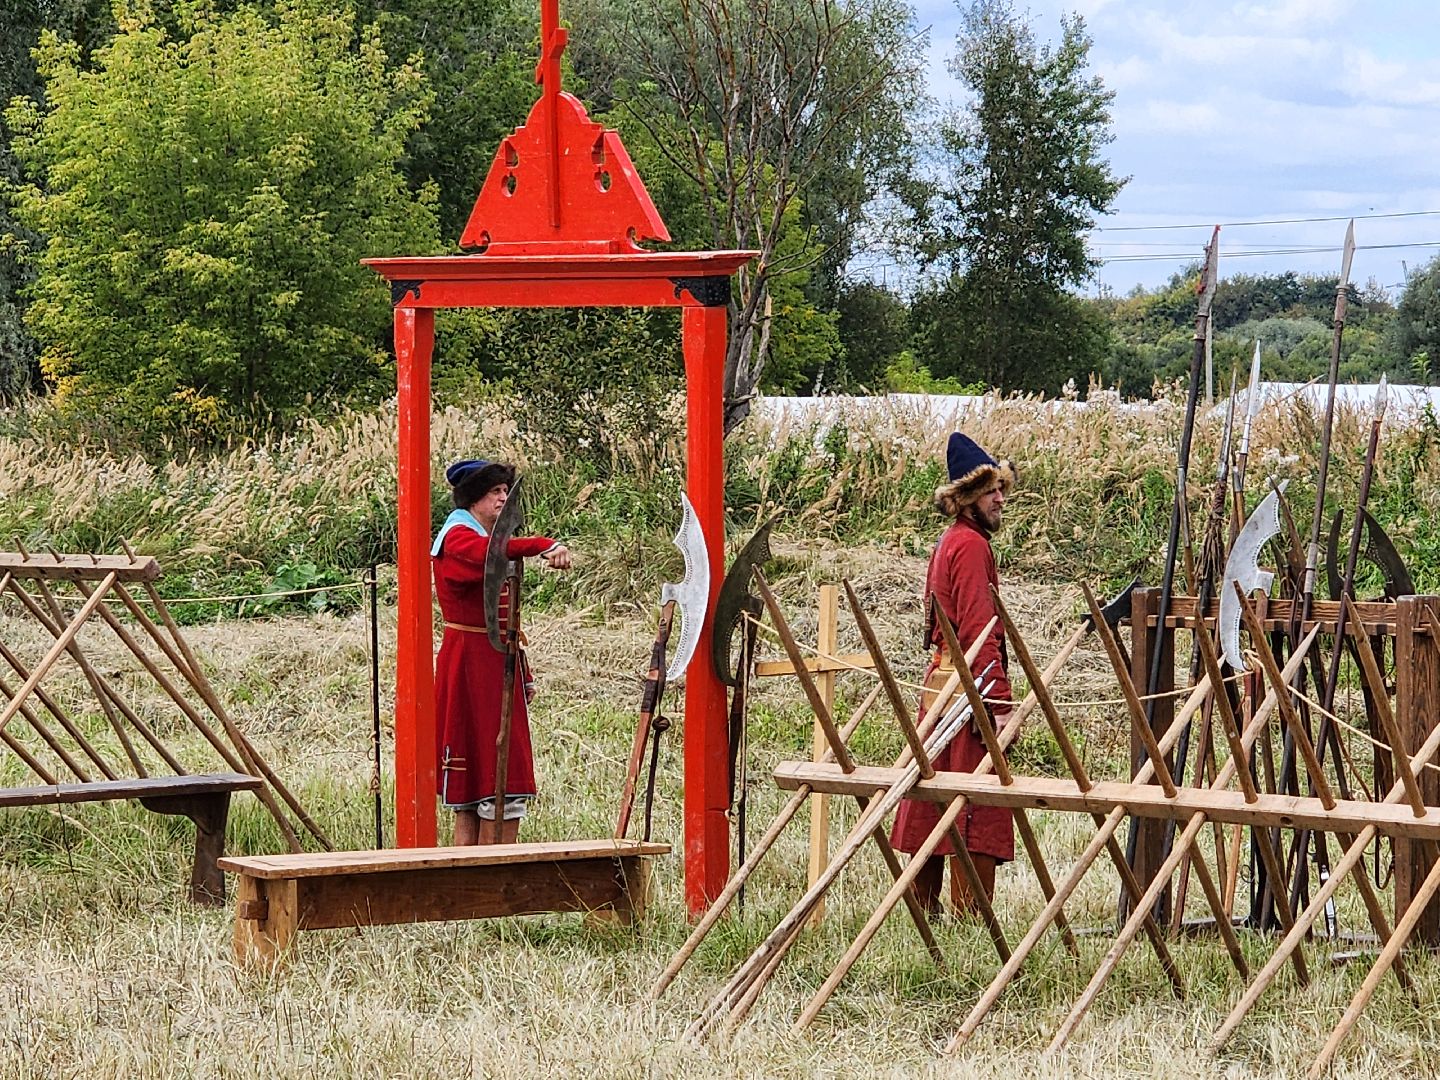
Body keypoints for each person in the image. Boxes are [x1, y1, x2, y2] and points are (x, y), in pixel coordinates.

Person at [891, 431, 1016, 915]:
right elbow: (979, 633)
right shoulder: (967, 546)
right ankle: (965, 920)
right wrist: (999, 708)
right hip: (965, 698)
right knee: (967, 810)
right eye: (991, 491)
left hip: (943, 691)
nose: (1000, 499)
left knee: (937, 806)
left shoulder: (957, 541)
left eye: (1000, 489)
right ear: (967, 498)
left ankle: (936, 915)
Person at [431, 459, 571, 845]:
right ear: (475, 496)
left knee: (500, 766)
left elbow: (503, 613)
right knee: (481, 770)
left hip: (494, 659)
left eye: (505, 491)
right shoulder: (459, 536)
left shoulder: (480, 534)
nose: (503, 498)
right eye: (495, 492)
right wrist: (545, 545)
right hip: (469, 663)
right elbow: (491, 554)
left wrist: (522, 671)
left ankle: (492, 870)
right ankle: (477, 874)